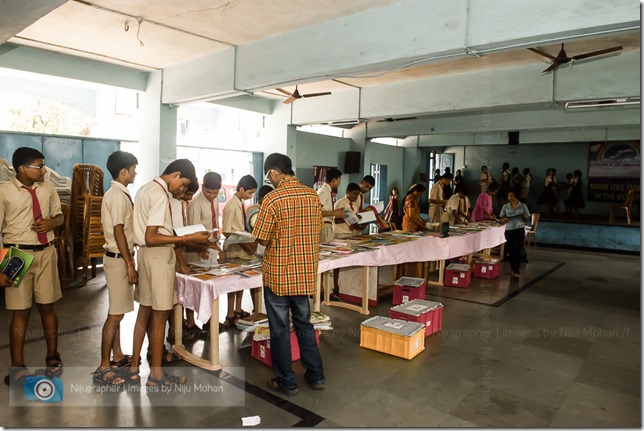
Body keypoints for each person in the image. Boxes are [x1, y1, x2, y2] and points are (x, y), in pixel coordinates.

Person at [130, 159, 211, 388]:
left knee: (144, 313)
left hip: (145, 257)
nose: (182, 190)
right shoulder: (159, 194)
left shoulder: (145, 188)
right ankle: (156, 376)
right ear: (175, 175)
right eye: (183, 184)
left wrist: (195, 243)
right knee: (159, 317)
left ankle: (135, 368)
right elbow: (152, 236)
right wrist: (187, 239)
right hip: (157, 256)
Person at [252, 153, 325, 396]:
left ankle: (287, 383)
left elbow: (262, 238)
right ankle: (316, 376)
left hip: (279, 276)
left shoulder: (272, 199)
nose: (269, 180)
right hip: (304, 274)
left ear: (273, 172)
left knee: (280, 330)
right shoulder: (312, 196)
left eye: (268, 176)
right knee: (305, 325)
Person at [0, 147, 64, 385]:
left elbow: (59, 217)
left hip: (46, 252)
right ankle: (17, 367)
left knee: (48, 307)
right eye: (39, 166)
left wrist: (51, 223)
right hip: (16, 255)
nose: (44, 170)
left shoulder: (48, 188)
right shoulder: (4, 192)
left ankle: (52, 356)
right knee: (20, 312)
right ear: (22, 169)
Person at [94, 150, 138, 387]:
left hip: (118, 257)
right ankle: (103, 365)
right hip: (118, 258)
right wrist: (130, 263)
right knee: (115, 315)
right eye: (133, 168)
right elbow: (119, 231)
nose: (135, 172)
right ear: (124, 171)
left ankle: (118, 355)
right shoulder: (117, 196)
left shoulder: (118, 193)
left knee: (117, 311)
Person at [222, 175, 258, 328]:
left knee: (241, 282)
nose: (250, 196)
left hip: (240, 247)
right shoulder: (231, 205)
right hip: (234, 249)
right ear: (241, 189)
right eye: (249, 193)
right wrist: (244, 244)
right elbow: (227, 231)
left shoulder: (240, 203)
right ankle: (230, 314)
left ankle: (237, 309)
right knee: (233, 284)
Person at [499, 191, 531, 279]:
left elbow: (527, 220)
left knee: (518, 250)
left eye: (511, 195)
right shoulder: (505, 207)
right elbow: (501, 219)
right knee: (511, 251)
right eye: (508, 196)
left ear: (516, 196)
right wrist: (504, 220)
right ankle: (513, 268)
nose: (510, 197)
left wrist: (525, 217)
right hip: (509, 230)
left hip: (519, 229)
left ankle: (516, 270)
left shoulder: (523, 206)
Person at [317, 168, 346, 244]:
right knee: (325, 249)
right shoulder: (324, 191)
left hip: (327, 225)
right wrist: (334, 213)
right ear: (334, 180)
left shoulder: (327, 190)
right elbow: (316, 212)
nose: (340, 182)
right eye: (339, 179)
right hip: (324, 225)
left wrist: (337, 212)